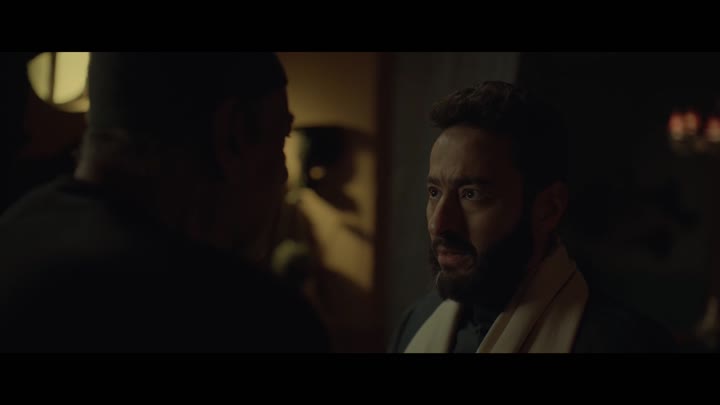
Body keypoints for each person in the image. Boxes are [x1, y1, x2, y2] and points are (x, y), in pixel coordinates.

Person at [0, 52, 329, 352]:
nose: (283, 174)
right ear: (234, 134)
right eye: (280, 138)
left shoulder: (13, 235)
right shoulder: (252, 320)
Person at [388, 81, 676, 353]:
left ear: (549, 208)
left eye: (471, 194)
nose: (438, 223)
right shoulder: (416, 322)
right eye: (434, 192)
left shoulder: (627, 343)